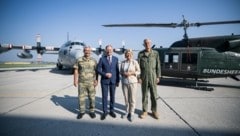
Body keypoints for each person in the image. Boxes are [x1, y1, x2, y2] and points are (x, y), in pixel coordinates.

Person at [138, 38, 161, 120]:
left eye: (148, 43)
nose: (147, 44)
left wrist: (158, 76)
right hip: (144, 77)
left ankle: (154, 111)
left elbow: (158, 65)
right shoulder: (140, 54)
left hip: (153, 77)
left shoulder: (155, 53)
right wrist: (139, 77)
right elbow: (138, 67)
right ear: (144, 44)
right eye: (146, 43)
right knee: (144, 95)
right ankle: (145, 111)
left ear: (150, 44)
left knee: (154, 95)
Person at [73, 46, 98, 119]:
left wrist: (96, 80)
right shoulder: (79, 60)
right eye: (86, 50)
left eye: (88, 50)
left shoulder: (94, 60)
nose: (87, 52)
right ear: (83, 51)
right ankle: (81, 111)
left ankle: (92, 111)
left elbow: (96, 71)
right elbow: (76, 70)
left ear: (90, 51)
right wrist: (75, 80)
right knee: (81, 98)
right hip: (81, 82)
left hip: (91, 82)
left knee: (92, 97)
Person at [97, 44, 120, 120]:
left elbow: (117, 70)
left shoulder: (116, 59)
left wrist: (118, 81)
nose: (109, 51)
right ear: (106, 50)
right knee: (104, 97)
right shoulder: (102, 59)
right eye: (108, 49)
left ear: (112, 50)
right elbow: (98, 69)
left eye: (110, 49)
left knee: (112, 96)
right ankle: (105, 112)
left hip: (113, 81)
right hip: (104, 81)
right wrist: (105, 74)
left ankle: (112, 111)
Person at [120, 49, 140, 122]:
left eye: (130, 54)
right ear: (125, 55)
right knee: (126, 98)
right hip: (124, 82)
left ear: (132, 55)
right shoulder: (122, 63)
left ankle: (131, 113)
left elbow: (139, 71)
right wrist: (123, 74)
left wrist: (131, 73)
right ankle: (127, 112)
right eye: (127, 54)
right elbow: (120, 72)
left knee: (132, 99)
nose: (128, 55)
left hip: (132, 82)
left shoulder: (135, 62)